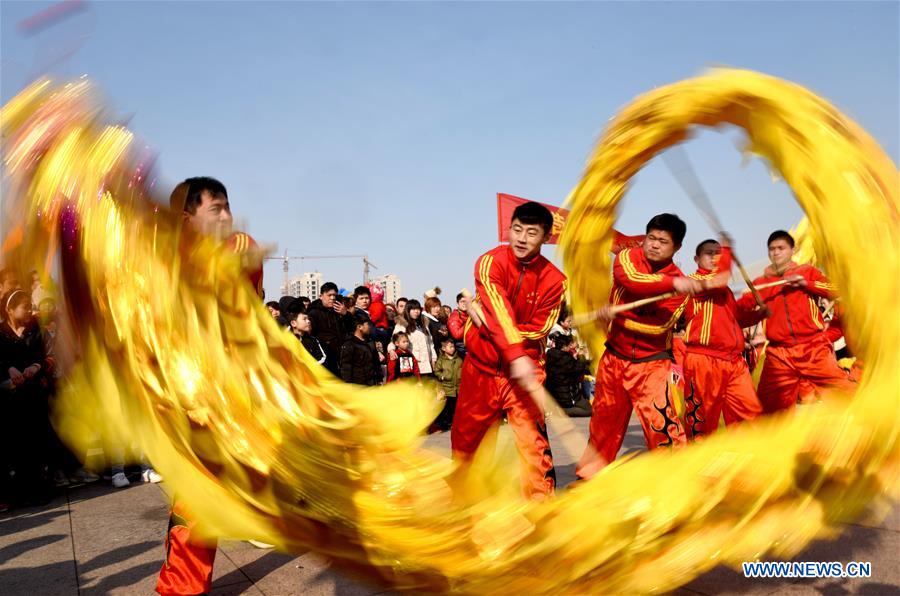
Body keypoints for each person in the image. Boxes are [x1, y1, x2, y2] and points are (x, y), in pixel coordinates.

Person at [157, 176, 265, 596]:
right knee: (196, 495)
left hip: (230, 390)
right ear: (187, 219)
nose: (226, 217)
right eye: (215, 209)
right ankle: (182, 587)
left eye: (227, 207)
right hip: (193, 395)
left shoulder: (236, 249)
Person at [452, 201, 567, 500]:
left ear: (546, 237)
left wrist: (497, 332)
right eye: (517, 230)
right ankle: (464, 504)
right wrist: (510, 343)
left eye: (531, 233)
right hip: (481, 369)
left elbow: (539, 329)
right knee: (467, 444)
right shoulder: (490, 262)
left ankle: (542, 508)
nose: (521, 239)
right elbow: (498, 305)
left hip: (525, 372)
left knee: (533, 445)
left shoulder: (556, 281)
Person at [577, 213, 704, 480]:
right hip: (614, 359)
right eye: (651, 238)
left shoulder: (681, 286)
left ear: (677, 247)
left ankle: (677, 481)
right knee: (603, 426)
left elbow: (659, 327)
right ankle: (588, 478)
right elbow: (630, 280)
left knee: (662, 426)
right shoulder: (628, 257)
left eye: (663, 241)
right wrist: (670, 284)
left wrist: (619, 316)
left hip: (651, 365)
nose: (654, 245)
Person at [738, 230, 855, 413]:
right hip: (779, 355)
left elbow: (835, 290)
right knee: (767, 410)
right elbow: (739, 310)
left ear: (792, 250)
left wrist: (806, 284)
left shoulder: (807, 272)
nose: (776, 252)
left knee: (846, 391)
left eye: (781, 248)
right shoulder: (761, 283)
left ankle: (881, 418)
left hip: (812, 348)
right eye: (772, 249)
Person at [681, 238, 767, 439]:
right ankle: (698, 457)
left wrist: (759, 315)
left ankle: (748, 454)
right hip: (704, 359)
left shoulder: (725, 290)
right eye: (709, 253)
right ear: (696, 259)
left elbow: (735, 319)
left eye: (718, 253)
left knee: (750, 413)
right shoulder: (693, 282)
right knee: (702, 422)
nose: (715, 257)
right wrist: (727, 249)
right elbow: (719, 280)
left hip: (734, 362)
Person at [0, 289, 57, 507]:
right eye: (24, 307)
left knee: (36, 443)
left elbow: (50, 358)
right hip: (10, 400)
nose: (29, 310)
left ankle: (39, 488)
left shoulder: (36, 331)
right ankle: (18, 492)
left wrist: (36, 366)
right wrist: (8, 369)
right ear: (10, 309)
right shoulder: (1, 334)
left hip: (34, 397)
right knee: (16, 445)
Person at [307, 282, 352, 376]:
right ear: (321, 296)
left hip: (343, 358)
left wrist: (346, 314)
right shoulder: (313, 313)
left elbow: (352, 328)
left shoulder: (339, 310)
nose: (332, 298)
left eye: (334, 295)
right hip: (326, 358)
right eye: (329, 295)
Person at [544, 333, 593, 417]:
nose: (571, 347)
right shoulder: (564, 358)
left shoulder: (551, 355)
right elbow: (577, 370)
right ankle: (561, 411)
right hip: (566, 394)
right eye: (569, 345)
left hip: (557, 393)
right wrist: (581, 357)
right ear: (564, 346)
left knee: (587, 405)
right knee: (588, 411)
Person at [392, 299, 436, 376]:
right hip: (413, 363)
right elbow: (394, 340)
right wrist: (391, 350)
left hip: (427, 363)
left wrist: (433, 358)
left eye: (418, 309)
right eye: (413, 309)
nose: (416, 311)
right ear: (408, 310)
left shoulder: (424, 325)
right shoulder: (402, 325)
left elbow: (430, 343)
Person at [339, 311, 381, 386]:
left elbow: (376, 363)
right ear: (359, 327)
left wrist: (379, 379)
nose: (369, 327)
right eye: (367, 324)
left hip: (372, 385)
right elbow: (346, 368)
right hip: (358, 386)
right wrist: (349, 386)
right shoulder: (349, 344)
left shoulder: (370, 342)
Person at [433, 338, 463, 431]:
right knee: (446, 408)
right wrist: (442, 376)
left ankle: (454, 423)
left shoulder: (459, 359)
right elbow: (437, 371)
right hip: (447, 388)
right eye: (450, 347)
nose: (452, 348)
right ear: (444, 349)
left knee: (455, 407)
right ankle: (444, 424)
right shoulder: (441, 360)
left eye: (453, 346)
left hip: (457, 388)